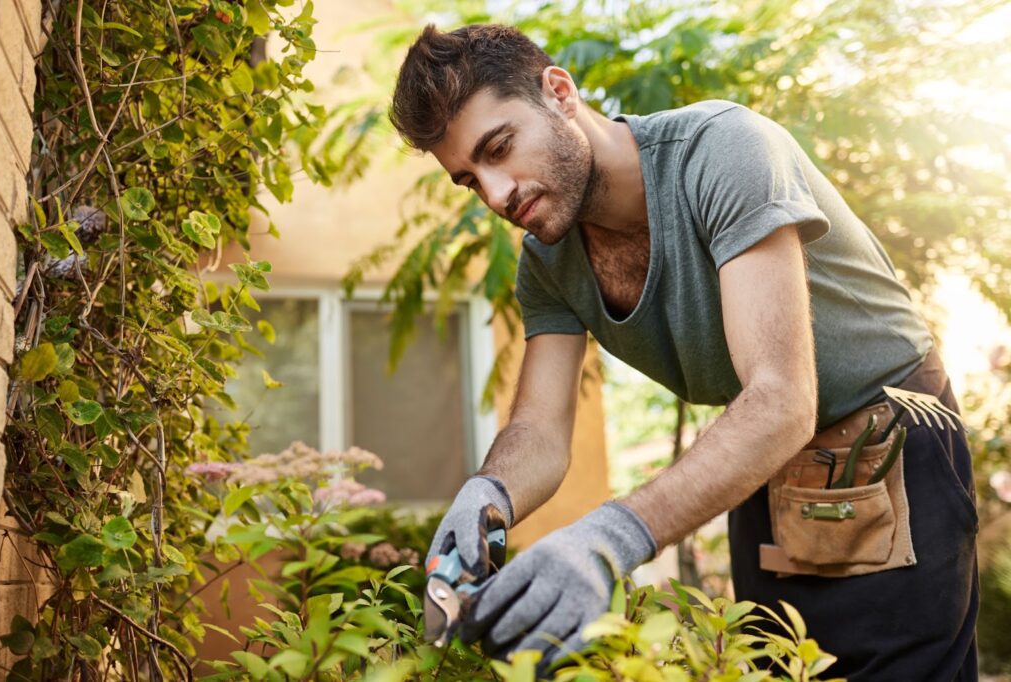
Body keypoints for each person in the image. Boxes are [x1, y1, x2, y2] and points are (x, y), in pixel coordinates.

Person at [389, 23, 979, 680]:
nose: (497, 195)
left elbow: (783, 397)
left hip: (889, 438)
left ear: (558, 91)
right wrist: (488, 495)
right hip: (760, 459)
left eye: (499, 148)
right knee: (774, 670)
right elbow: (539, 430)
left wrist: (607, 537)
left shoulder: (722, 151)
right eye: (470, 180)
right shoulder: (547, 262)